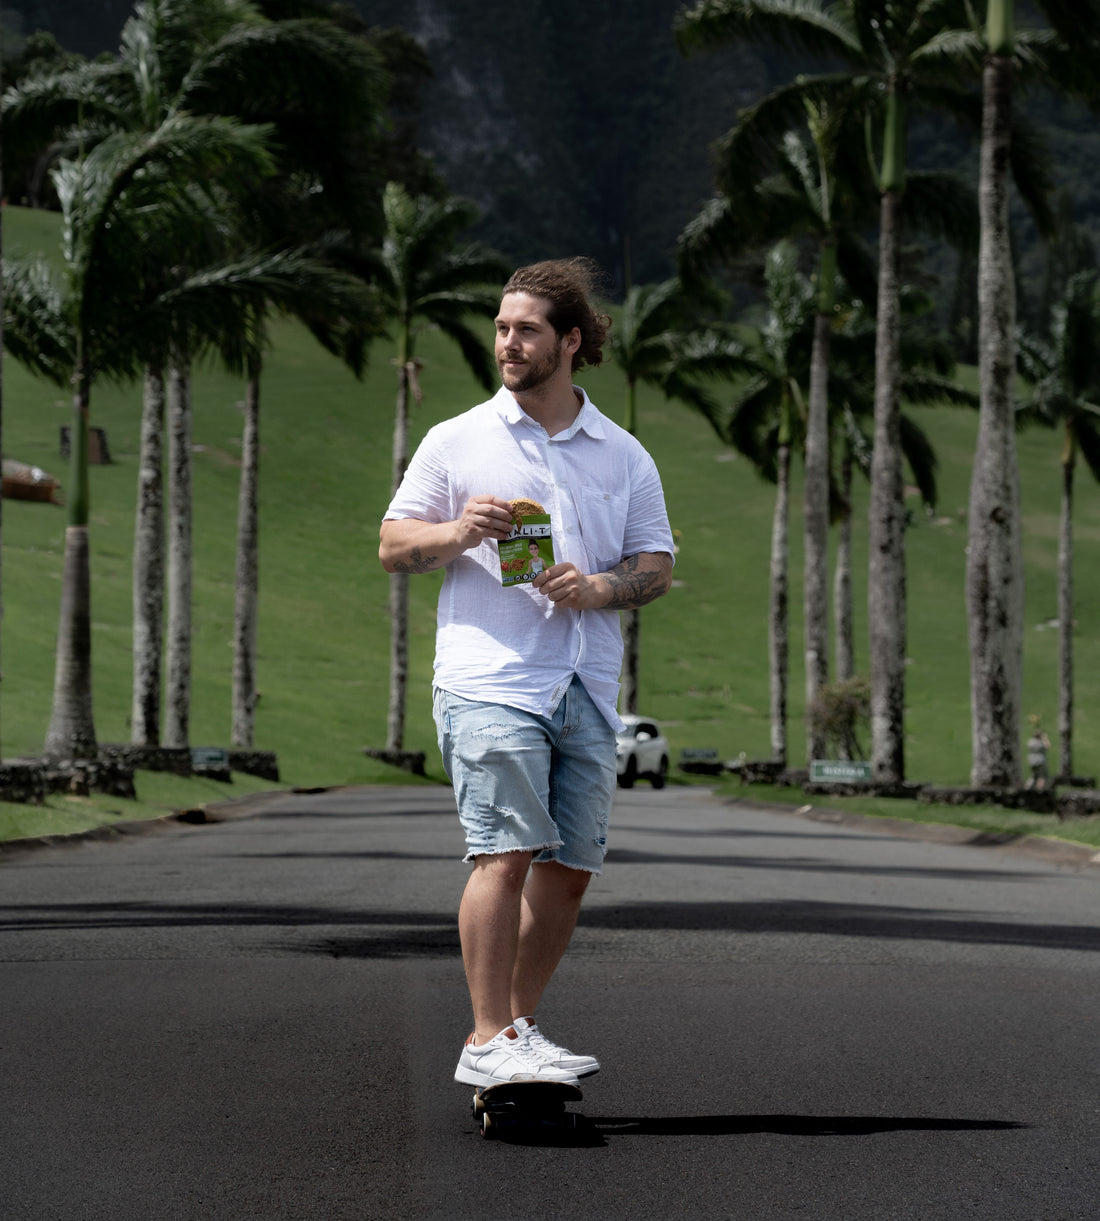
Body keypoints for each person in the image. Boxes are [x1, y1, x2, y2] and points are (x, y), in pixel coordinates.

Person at [379, 257, 674, 1087]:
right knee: (504, 853)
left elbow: (656, 565)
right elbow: (393, 545)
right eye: (502, 328)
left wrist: (599, 587)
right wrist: (458, 533)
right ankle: (483, 1037)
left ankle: (516, 1026)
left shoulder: (623, 454)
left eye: (527, 329)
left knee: (570, 870)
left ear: (570, 341)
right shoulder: (457, 440)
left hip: (584, 683)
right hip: (490, 678)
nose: (508, 342)